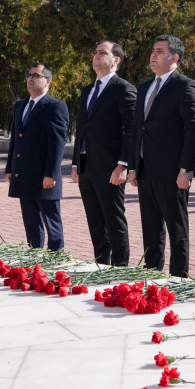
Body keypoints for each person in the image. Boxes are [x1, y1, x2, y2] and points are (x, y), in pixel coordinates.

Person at [128, 35, 195, 277]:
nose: (153, 54)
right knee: (151, 229)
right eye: (153, 50)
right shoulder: (144, 87)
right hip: (146, 169)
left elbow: (193, 128)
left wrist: (185, 169)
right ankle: (151, 276)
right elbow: (138, 128)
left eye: (159, 51)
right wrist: (133, 166)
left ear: (174, 57)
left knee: (176, 229)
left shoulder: (185, 86)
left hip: (173, 172)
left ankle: (178, 280)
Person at [71, 41, 137, 265]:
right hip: (87, 166)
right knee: (95, 221)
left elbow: (131, 130)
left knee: (114, 220)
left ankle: (120, 270)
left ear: (115, 60)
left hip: (111, 168)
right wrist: (75, 163)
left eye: (102, 53)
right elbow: (82, 127)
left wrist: (123, 165)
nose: (96, 56)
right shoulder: (88, 90)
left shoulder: (124, 89)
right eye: (95, 52)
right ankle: (101, 265)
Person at [6, 64, 69, 251]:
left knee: (52, 222)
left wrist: (51, 174)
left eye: (36, 75)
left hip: (44, 177)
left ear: (47, 81)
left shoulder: (55, 106)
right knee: (31, 223)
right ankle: (34, 257)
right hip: (23, 174)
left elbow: (57, 144)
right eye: (29, 75)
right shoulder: (20, 105)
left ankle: (56, 259)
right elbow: (14, 141)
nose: (30, 78)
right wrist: (10, 168)